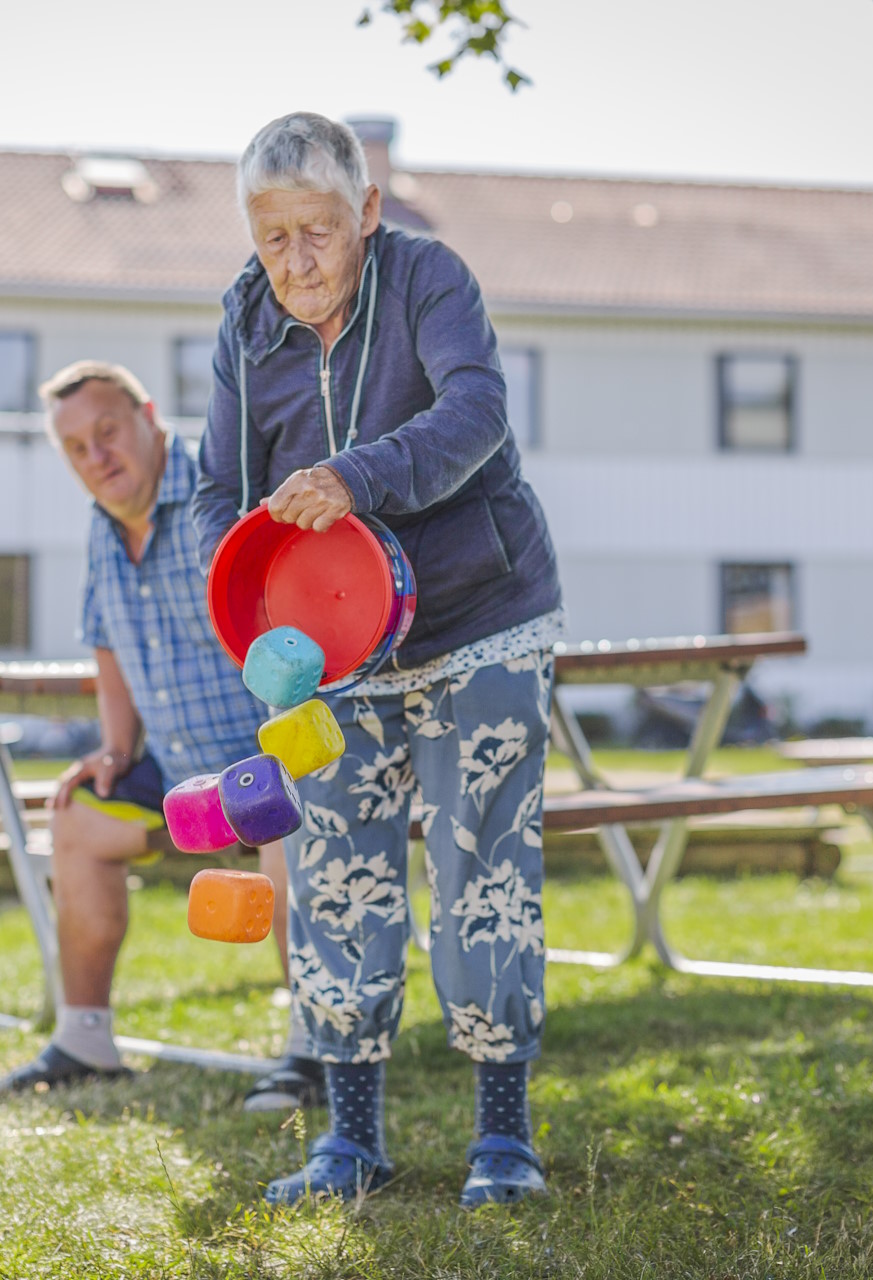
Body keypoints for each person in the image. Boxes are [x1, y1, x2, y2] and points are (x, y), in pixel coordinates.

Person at [191, 113, 565, 1208]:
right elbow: (221, 485)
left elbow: (478, 410)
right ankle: (349, 1139)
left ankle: (504, 1138)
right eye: (272, 239)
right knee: (336, 873)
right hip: (331, 648)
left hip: (478, 615)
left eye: (318, 230)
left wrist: (359, 474)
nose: (296, 262)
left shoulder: (427, 279)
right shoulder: (246, 321)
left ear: (366, 211)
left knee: (482, 867)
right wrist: (247, 602)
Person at [0, 359, 323, 1111]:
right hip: (183, 781)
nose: (96, 457)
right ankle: (84, 1038)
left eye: (107, 432)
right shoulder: (103, 529)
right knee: (77, 818)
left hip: (271, 767)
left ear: (150, 419)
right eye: (76, 448)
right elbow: (105, 637)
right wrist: (115, 748)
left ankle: (313, 1051)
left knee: (285, 838)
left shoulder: (223, 495)